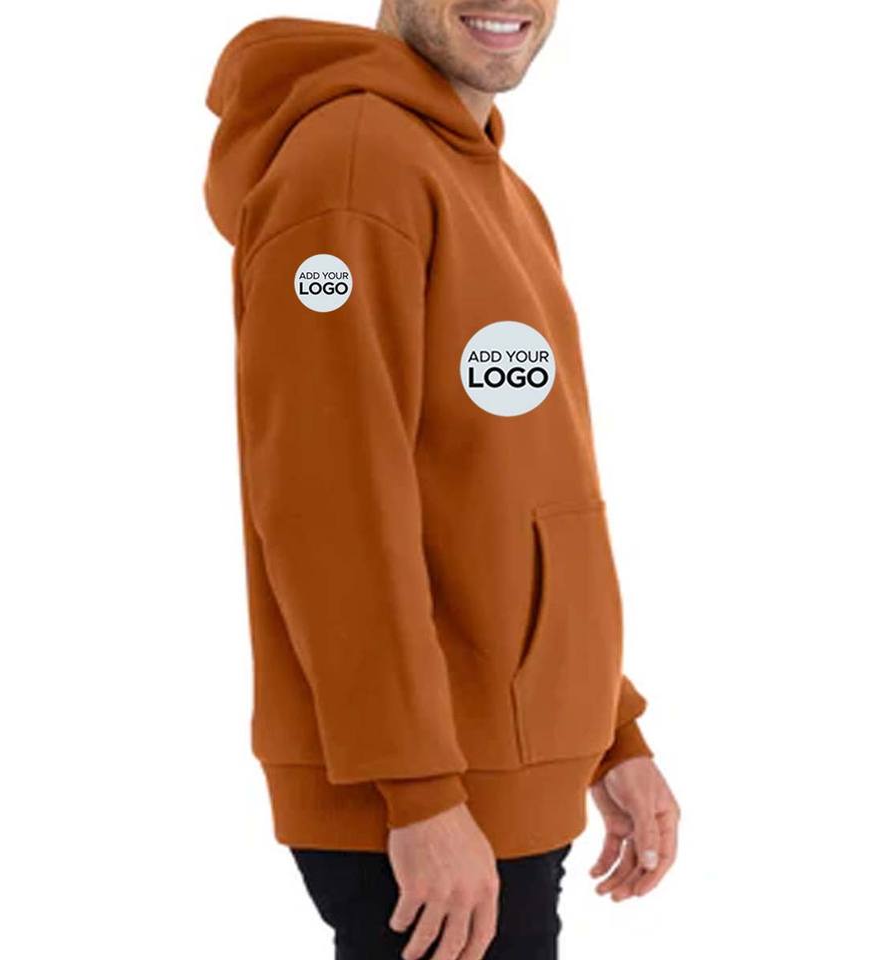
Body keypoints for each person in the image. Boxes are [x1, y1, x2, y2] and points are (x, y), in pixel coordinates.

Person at [204, 3, 680, 957]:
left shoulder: (487, 181)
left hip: (491, 774)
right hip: (420, 799)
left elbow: (508, 488)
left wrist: (609, 730)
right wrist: (418, 790)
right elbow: (329, 502)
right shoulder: (351, 167)